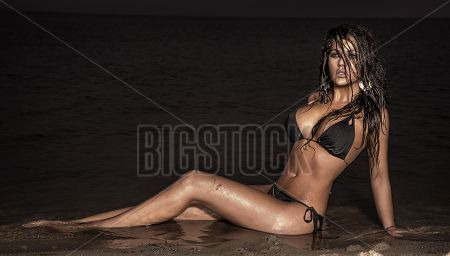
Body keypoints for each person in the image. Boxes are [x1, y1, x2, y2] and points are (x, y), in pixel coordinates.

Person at [23, 23, 409, 237]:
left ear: (365, 61)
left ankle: (87, 232)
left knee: (194, 181)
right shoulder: (315, 98)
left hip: (299, 216)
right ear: (326, 59)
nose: (342, 63)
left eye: (352, 55)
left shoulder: (374, 114)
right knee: (186, 205)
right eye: (335, 54)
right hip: (274, 194)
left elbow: (378, 177)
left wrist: (390, 230)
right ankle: (78, 222)